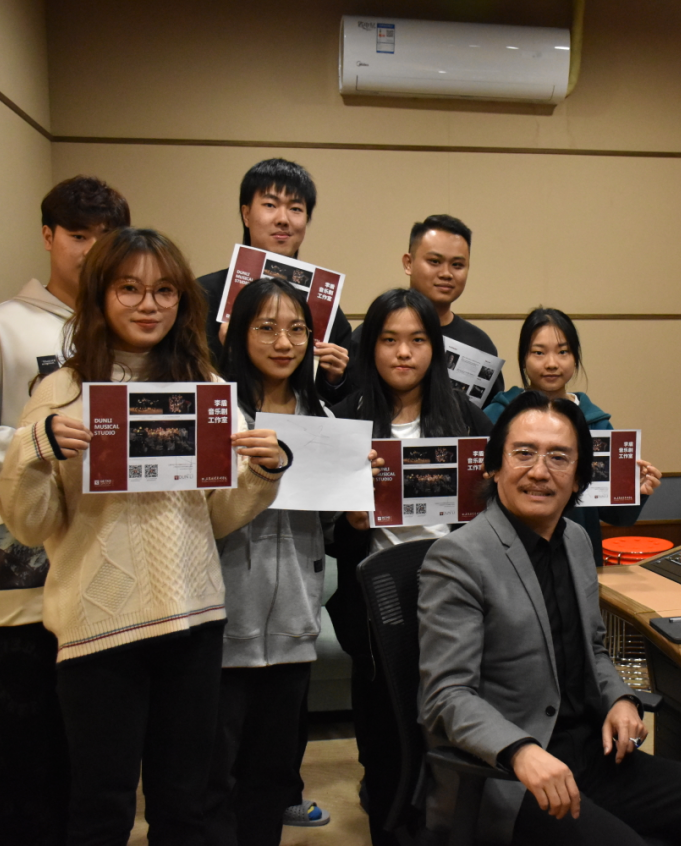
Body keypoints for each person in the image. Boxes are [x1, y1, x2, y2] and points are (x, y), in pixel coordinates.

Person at [0, 227, 290, 845]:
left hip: (194, 620)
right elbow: (30, 524)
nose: (148, 304)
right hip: (98, 624)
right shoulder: (61, 392)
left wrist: (264, 472)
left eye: (164, 291)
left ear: (182, 300)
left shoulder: (206, 388)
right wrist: (35, 448)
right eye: (129, 288)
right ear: (101, 295)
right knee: (101, 807)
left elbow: (214, 516)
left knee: (185, 806)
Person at [418, 391, 681, 845]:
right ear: (494, 466)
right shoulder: (458, 558)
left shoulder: (576, 540)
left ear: (579, 477)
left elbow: (593, 649)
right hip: (512, 776)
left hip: (592, 756)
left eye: (559, 457)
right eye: (524, 453)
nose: (540, 471)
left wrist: (619, 698)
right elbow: (446, 695)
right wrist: (520, 751)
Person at [0, 175, 130, 846]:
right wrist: (34, 448)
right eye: (78, 235)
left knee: (91, 753)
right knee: (23, 743)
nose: (92, 250)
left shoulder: (127, 332)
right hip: (21, 573)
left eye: (106, 237)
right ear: (48, 237)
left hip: (102, 568)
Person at [325, 287, 493, 846]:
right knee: (384, 747)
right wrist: (351, 520)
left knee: (454, 740)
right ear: (370, 347)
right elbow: (324, 533)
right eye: (389, 340)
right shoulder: (345, 420)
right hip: (378, 615)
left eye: (418, 340)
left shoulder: (467, 417)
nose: (403, 353)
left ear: (435, 348)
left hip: (457, 605)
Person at [201, 278, 339, 844]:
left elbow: (329, 524)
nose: (284, 343)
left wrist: (358, 489)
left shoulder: (323, 418)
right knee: (212, 776)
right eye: (266, 328)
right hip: (221, 620)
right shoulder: (219, 412)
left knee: (270, 774)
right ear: (236, 333)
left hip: (294, 624)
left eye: (297, 330)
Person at [485, 307, 662, 561]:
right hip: (507, 554)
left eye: (563, 352)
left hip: (576, 557)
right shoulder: (497, 415)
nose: (551, 363)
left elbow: (617, 517)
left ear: (575, 359)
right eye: (538, 352)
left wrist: (637, 490)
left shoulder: (597, 425)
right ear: (523, 359)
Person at [197, 158, 352, 403]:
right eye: (270, 205)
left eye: (295, 209)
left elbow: (338, 401)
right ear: (246, 214)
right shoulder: (203, 295)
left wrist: (334, 379)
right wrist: (226, 354)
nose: (283, 219)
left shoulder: (325, 308)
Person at [340, 214, 505, 405]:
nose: (446, 274)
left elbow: (493, 415)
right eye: (434, 261)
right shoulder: (371, 334)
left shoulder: (480, 344)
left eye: (457, 265)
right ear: (408, 263)